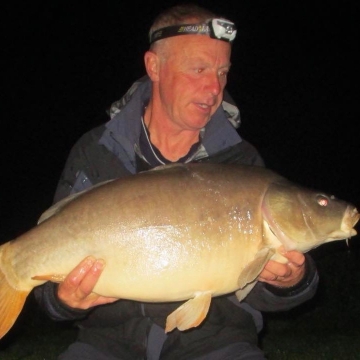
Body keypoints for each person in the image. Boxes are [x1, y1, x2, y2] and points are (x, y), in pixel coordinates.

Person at [34, 4, 319, 359]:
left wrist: (291, 280)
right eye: (198, 69)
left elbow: (260, 291)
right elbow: (42, 285)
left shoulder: (241, 163)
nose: (214, 87)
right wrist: (64, 301)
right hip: (109, 341)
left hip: (216, 340)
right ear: (154, 66)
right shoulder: (97, 152)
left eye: (222, 72)